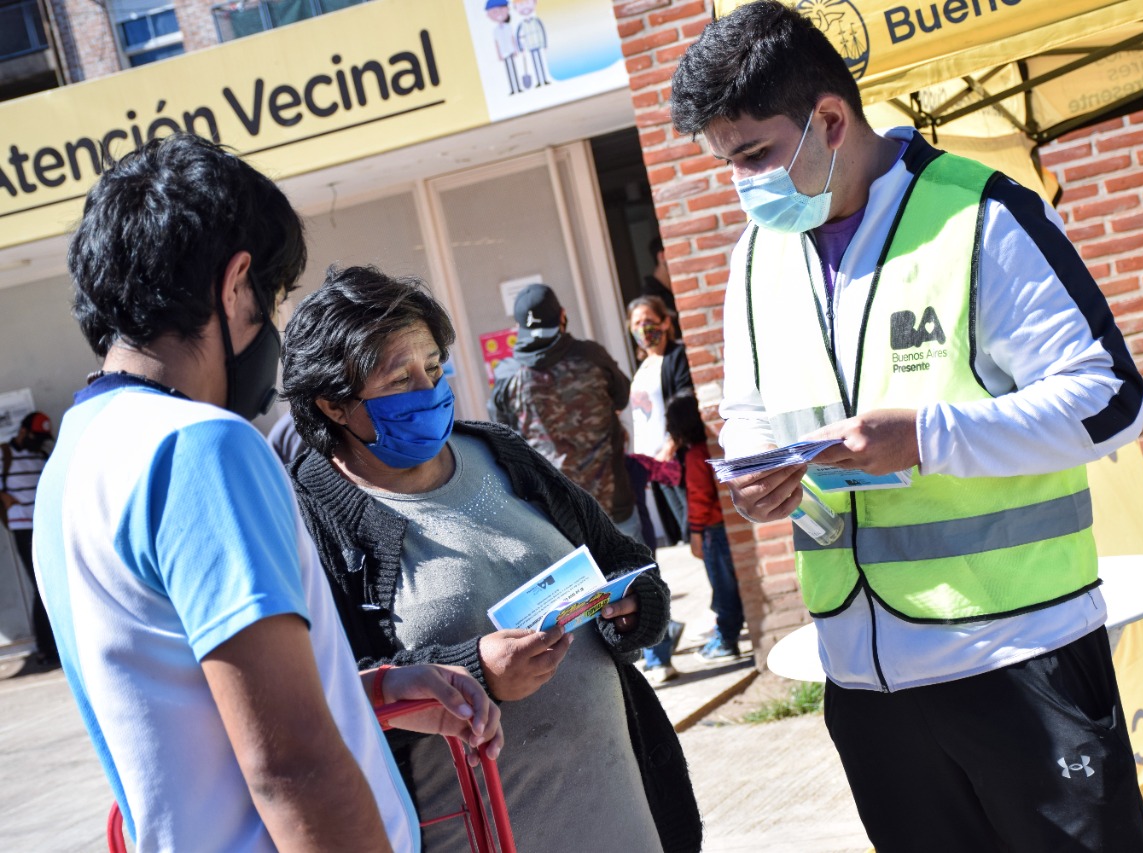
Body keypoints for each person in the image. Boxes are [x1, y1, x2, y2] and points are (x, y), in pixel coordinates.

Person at [669, 3, 1143, 851]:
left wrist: (928, 435)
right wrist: (752, 481)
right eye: (726, 165)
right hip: (865, 687)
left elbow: (1109, 398)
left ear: (829, 118)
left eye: (753, 155)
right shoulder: (754, 257)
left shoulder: (982, 213)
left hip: (1018, 658)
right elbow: (749, 418)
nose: (743, 185)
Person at [34, 133, 501, 852]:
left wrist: (364, 693)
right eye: (272, 300)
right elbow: (292, 764)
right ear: (234, 282)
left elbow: (186, 707)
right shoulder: (198, 446)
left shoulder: (76, 459)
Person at [280, 265, 702, 853]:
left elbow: (624, 559)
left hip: (626, 818)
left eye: (432, 367)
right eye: (399, 378)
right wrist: (473, 673)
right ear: (332, 404)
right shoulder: (308, 521)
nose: (428, 390)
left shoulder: (499, 453)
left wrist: (630, 605)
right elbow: (321, 694)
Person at [489, 283, 641, 543]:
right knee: (639, 582)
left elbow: (502, 434)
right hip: (613, 504)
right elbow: (622, 397)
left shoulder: (507, 373)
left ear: (519, 327)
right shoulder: (592, 356)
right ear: (562, 316)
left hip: (555, 515)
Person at [627, 294, 694, 683]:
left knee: (696, 535)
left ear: (666, 321)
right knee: (673, 538)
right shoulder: (643, 365)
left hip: (670, 462)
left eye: (650, 320)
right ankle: (668, 628)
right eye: (636, 324)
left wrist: (673, 442)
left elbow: (684, 399)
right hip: (649, 468)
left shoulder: (677, 357)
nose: (644, 329)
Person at [665, 393, 744, 662]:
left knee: (723, 588)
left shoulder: (695, 456)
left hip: (712, 531)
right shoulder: (706, 449)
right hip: (721, 527)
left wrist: (695, 534)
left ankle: (727, 641)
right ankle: (726, 632)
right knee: (727, 586)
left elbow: (699, 498)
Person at [2, 411, 58, 667]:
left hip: (47, 526)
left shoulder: (41, 454)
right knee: (40, 586)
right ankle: (45, 648)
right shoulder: (5, 454)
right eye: (34, 437)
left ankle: (57, 645)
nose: (37, 442)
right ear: (23, 431)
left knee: (55, 584)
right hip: (23, 529)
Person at [640, 236, 681, 340]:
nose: (680, 261)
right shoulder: (649, 297)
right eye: (676, 255)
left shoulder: (679, 289)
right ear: (662, 256)